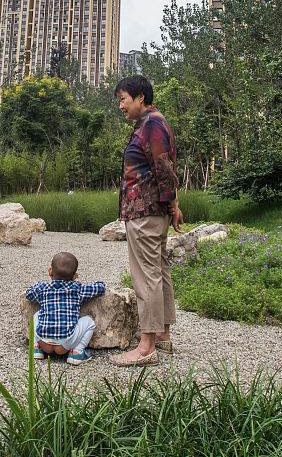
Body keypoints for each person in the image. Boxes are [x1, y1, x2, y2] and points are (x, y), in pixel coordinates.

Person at [110, 75, 184, 368]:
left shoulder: (152, 124)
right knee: (159, 270)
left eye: (123, 99)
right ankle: (162, 334)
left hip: (144, 211)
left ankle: (146, 346)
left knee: (147, 275)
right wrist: (172, 205)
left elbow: (164, 168)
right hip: (150, 209)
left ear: (140, 97)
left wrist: (173, 204)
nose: (121, 106)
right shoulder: (148, 123)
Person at [25, 251, 105, 366]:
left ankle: (36, 348)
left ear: (50, 271)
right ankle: (77, 352)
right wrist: (99, 282)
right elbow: (99, 288)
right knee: (89, 322)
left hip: (43, 340)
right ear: (75, 276)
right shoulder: (77, 289)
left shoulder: (43, 289)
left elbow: (29, 293)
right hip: (65, 343)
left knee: (37, 315)